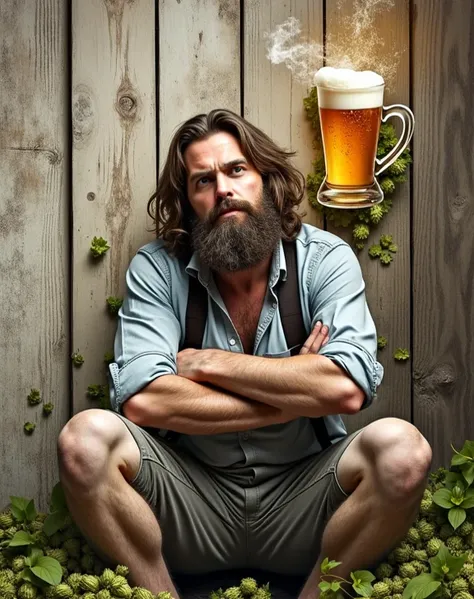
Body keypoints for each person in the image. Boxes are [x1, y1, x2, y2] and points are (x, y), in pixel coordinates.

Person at [57, 109, 432, 599]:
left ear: (267, 181)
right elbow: (145, 403)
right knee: (83, 440)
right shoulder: (158, 270)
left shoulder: (324, 259)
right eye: (203, 180)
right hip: (189, 503)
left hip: (308, 505)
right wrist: (295, 389)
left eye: (236, 170)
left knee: (404, 450)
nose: (223, 190)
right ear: (190, 203)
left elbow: (345, 388)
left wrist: (208, 364)